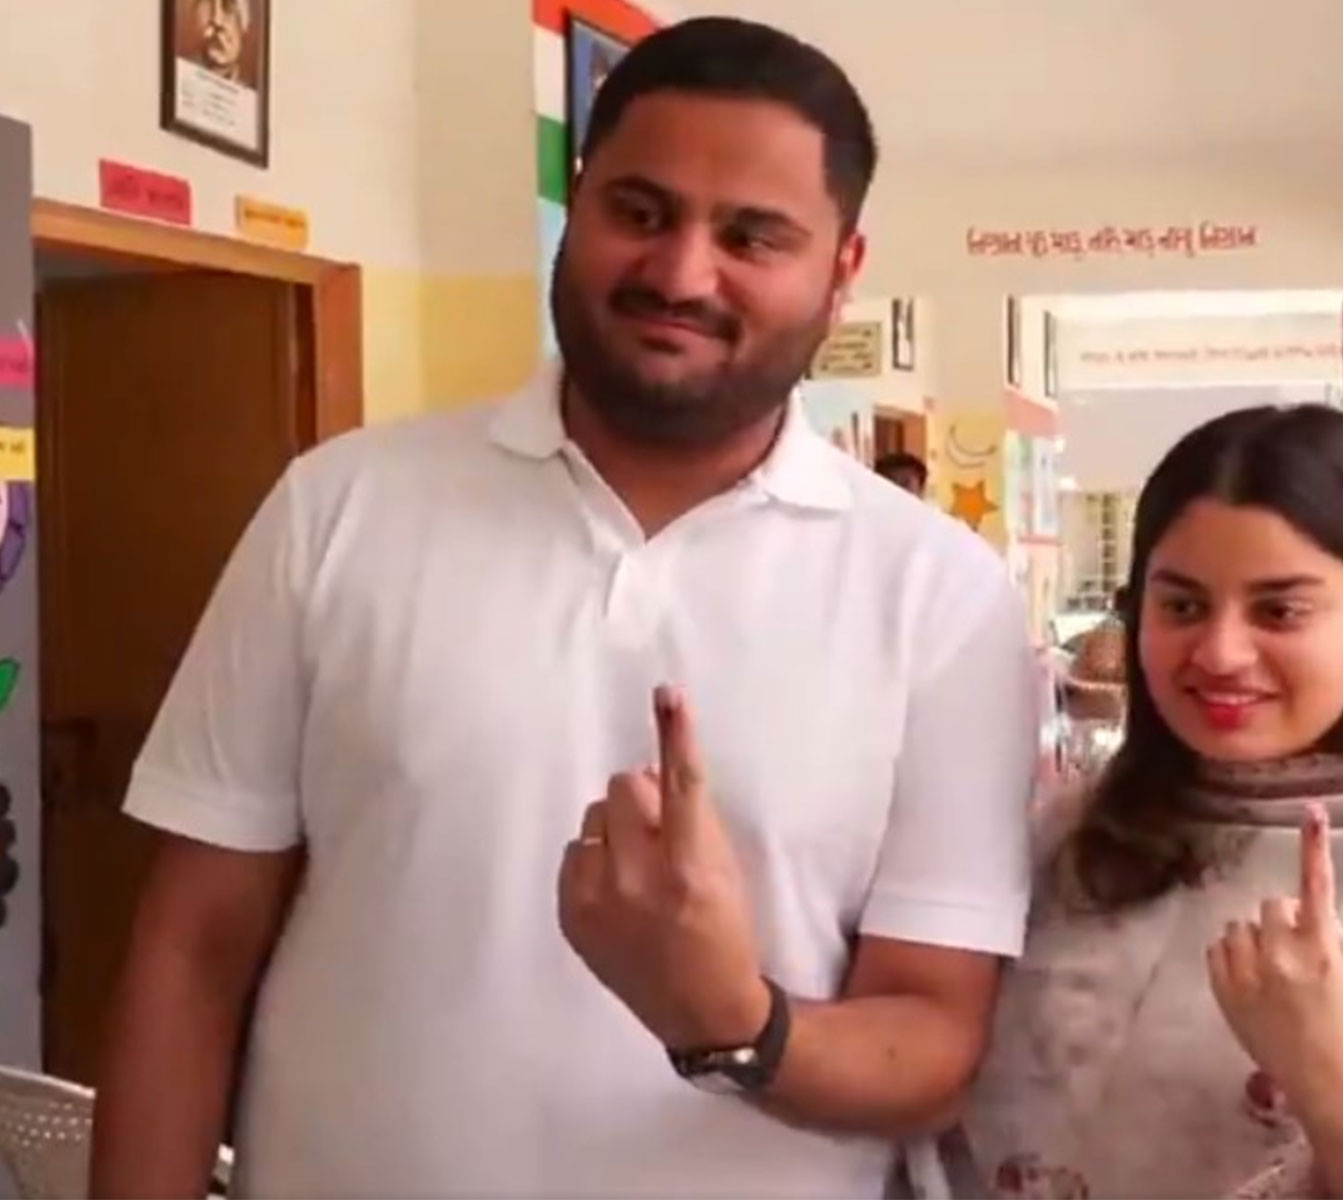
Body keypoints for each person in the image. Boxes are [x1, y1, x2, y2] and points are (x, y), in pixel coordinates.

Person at [89, 16, 1038, 1200]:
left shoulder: (942, 596)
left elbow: (936, 1036)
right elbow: (192, 950)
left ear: (843, 267)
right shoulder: (339, 510)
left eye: (753, 235)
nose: (682, 273)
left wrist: (733, 1020)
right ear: (578, 200)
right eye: (640, 211)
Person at [934, 405, 1343, 1197]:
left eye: (1279, 610)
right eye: (1181, 606)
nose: (1220, 652)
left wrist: (1330, 1076)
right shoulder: (1071, 838)